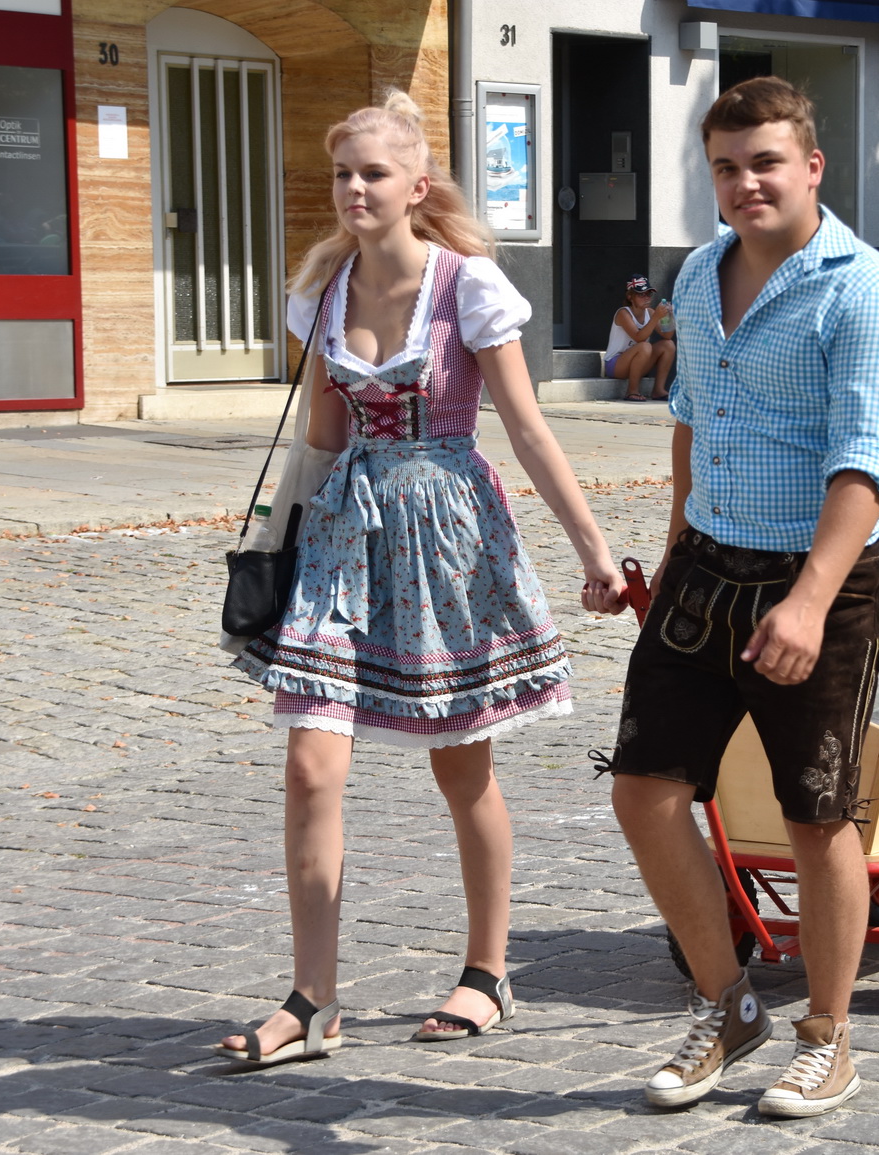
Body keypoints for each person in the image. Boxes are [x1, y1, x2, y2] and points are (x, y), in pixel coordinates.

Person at [215, 91, 627, 1066]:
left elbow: (526, 428)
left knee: (461, 764)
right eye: (342, 174)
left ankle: (487, 971)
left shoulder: (467, 286)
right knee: (310, 763)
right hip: (344, 542)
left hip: (448, 539)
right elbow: (321, 439)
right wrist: (274, 547)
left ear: (417, 186)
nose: (354, 189)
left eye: (374, 173)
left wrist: (594, 551)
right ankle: (312, 1000)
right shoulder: (322, 294)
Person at [605, 76, 879, 1119]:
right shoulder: (700, 274)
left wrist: (808, 602)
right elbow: (692, 418)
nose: (746, 183)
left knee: (815, 817)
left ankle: (827, 1037)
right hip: (704, 572)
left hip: (815, 581)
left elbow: (865, 465)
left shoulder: (867, 292)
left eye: (766, 163)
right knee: (643, 791)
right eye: (727, 168)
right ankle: (727, 1004)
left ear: (812, 167)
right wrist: (669, 557)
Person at [605, 275, 676, 401]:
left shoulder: (650, 312)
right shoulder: (623, 313)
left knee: (668, 345)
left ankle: (658, 390)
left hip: (639, 361)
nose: (646, 298)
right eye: (641, 294)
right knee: (644, 346)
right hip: (615, 365)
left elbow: (667, 335)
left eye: (649, 294)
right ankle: (632, 391)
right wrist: (656, 317)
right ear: (630, 297)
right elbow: (639, 338)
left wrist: (669, 317)